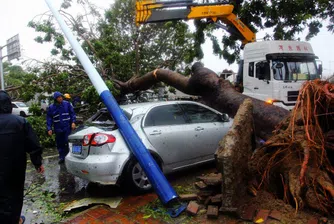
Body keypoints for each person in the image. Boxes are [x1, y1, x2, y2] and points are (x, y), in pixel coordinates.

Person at [0, 90, 44, 224]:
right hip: (15, 169)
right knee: (14, 196)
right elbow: (33, 145)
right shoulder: (21, 122)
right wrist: (38, 163)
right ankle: (15, 219)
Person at [47, 91, 76, 164]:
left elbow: (72, 113)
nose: (60, 98)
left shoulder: (67, 104)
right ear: (55, 99)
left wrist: (73, 122)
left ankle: (70, 157)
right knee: (60, 143)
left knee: (68, 142)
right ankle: (62, 157)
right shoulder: (51, 107)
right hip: (58, 128)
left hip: (67, 127)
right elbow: (49, 118)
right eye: (59, 97)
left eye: (61, 97)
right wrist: (49, 128)